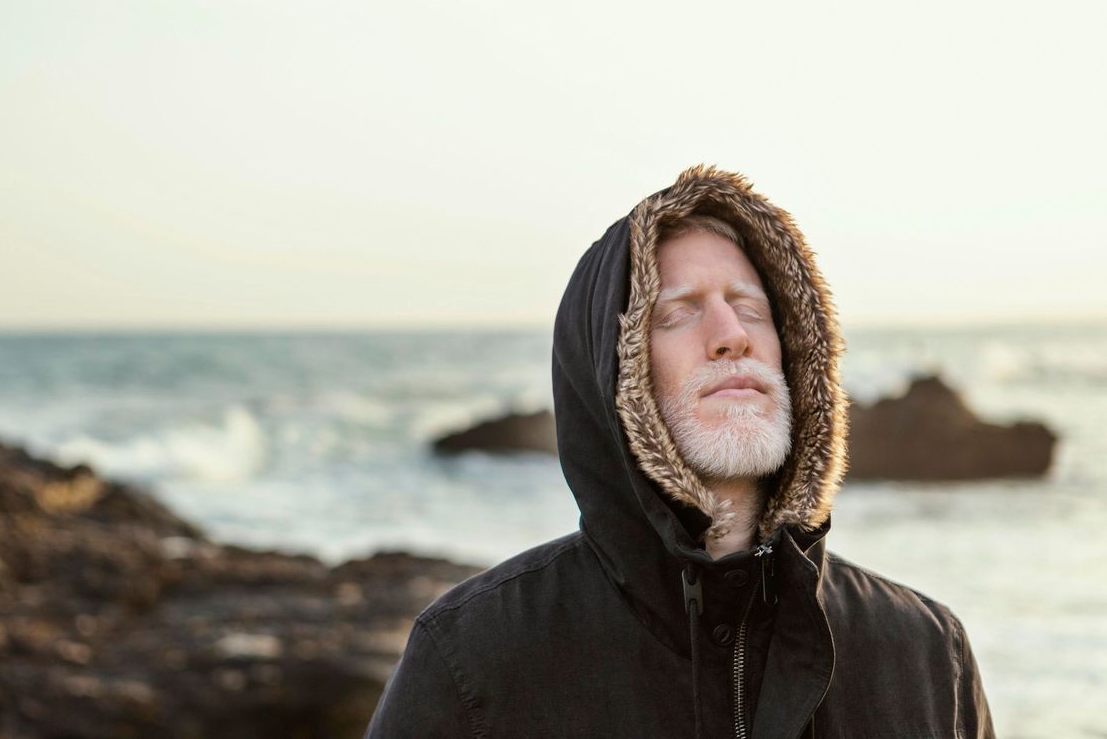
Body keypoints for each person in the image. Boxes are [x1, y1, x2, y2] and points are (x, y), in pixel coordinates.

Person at [365, 165, 994, 738]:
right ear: (617, 376)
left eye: (751, 307)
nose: (730, 336)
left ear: (799, 349)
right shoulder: (476, 654)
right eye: (677, 314)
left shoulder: (927, 654)